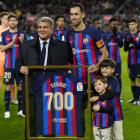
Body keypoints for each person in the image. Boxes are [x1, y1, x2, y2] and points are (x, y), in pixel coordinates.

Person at [15, 17, 73, 139]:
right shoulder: (26, 45)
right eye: (40, 27)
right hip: (31, 89)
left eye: (45, 27)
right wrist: (21, 68)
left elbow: (76, 62)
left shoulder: (63, 46)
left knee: (51, 124)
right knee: (31, 123)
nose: (42, 30)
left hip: (53, 90)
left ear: (52, 29)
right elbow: (19, 61)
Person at [67, 3, 108, 136]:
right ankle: (81, 136)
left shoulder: (92, 32)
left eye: (76, 14)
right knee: (80, 109)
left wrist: (97, 66)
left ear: (83, 15)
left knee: (96, 109)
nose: (73, 17)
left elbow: (105, 53)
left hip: (94, 79)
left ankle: (100, 135)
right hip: (78, 80)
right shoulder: (69, 34)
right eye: (71, 14)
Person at [0, 13, 27, 118]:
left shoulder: (22, 34)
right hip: (8, 65)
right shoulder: (4, 34)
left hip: (19, 66)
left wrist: (21, 43)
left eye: (13, 20)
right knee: (8, 86)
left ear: (17, 22)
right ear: (8, 22)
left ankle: (20, 110)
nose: (12, 22)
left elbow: (26, 50)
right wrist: (11, 43)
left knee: (20, 86)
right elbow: (2, 48)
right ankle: (7, 111)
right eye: (10, 20)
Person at [90, 58, 124, 140]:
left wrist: (98, 97)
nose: (104, 70)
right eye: (102, 68)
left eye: (107, 68)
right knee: (108, 136)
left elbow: (112, 94)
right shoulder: (99, 80)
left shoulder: (114, 81)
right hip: (104, 114)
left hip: (116, 111)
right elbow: (93, 90)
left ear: (113, 70)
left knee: (117, 135)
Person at [0, 12, 18, 104]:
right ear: (1, 19)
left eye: (9, 19)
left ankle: (13, 98)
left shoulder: (10, 30)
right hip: (0, 58)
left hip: (9, 58)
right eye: (7, 18)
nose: (8, 20)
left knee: (12, 79)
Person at [90, 75, 114, 140]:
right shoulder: (94, 97)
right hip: (95, 124)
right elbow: (91, 108)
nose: (97, 86)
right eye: (95, 85)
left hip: (105, 125)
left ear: (105, 85)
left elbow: (111, 109)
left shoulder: (108, 97)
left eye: (99, 84)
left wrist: (100, 109)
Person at [106, 18, 123, 101]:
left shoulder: (119, 34)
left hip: (117, 60)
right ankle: (108, 95)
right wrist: (109, 38)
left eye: (116, 24)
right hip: (107, 60)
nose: (115, 26)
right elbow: (104, 45)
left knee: (118, 77)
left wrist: (116, 36)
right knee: (107, 77)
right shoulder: (105, 34)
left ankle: (118, 95)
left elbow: (121, 45)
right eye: (113, 24)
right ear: (109, 24)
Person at [124, 18, 140, 105]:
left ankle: (137, 99)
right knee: (132, 79)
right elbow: (125, 49)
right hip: (130, 61)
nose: (131, 26)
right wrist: (127, 44)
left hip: (138, 61)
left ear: (137, 24)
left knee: (139, 79)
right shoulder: (126, 35)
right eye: (129, 24)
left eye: (133, 24)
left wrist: (134, 42)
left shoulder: (139, 34)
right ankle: (134, 98)